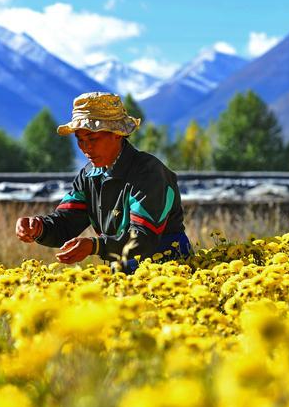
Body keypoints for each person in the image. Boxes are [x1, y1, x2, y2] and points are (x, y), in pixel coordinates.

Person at [15, 92, 192, 273]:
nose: (86, 148)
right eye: (80, 140)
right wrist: (39, 227)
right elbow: (65, 224)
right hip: (121, 275)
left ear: (117, 133)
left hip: (169, 274)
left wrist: (95, 246)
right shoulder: (89, 176)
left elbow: (143, 238)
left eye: (92, 139)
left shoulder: (148, 173)